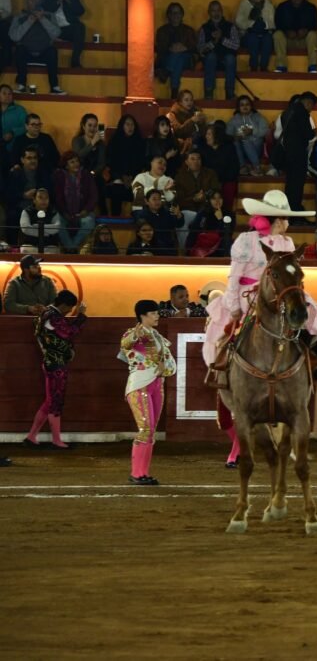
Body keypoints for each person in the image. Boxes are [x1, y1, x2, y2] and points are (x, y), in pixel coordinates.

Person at [202, 189, 317, 383]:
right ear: (277, 220)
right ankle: (223, 368)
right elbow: (235, 276)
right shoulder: (246, 241)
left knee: (313, 312)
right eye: (285, 218)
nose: (287, 223)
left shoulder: (286, 242)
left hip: (282, 292)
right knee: (225, 331)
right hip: (247, 294)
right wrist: (233, 305)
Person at [119, 299, 177, 486]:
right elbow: (127, 344)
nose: (157, 315)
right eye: (153, 313)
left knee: (150, 431)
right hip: (140, 385)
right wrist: (136, 335)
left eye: (156, 312)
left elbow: (167, 361)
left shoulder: (157, 335)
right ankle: (137, 473)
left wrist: (165, 368)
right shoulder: (134, 333)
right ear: (142, 316)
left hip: (156, 385)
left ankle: (143, 473)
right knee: (145, 430)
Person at [23, 290, 86, 450]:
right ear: (63, 305)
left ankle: (31, 436)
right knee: (56, 401)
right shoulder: (53, 316)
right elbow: (69, 332)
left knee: (50, 401)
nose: (69, 311)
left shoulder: (45, 315)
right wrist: (81, 316)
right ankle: (56, 440)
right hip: (56, 363)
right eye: (69, 308)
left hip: (51, 361)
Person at [10, 0, 66, 95]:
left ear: (40, 1)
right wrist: (29, 21)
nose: (34, 2)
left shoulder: (49, 16)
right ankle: (21, 85)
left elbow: (56, 33)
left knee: (52, 50)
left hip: (44, 51)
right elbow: (14, 37)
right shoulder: (19, 17)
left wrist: (42, 19)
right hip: (26, 52)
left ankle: (54, 86)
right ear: (26, 2)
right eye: (31, 0)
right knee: (19, 49)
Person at [5, 146, 54, 246]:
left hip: (40, 207)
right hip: (20, 206)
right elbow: (9, 195)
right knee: (12, 216)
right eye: (29, 158)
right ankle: (14, 247)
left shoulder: (43, 173)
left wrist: (39, 196)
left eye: (35, 158)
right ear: (22, 160)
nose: (33, 161)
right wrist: (24, 195)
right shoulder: (16, 174)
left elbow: (50, 191)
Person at [281, 91, 317, 213]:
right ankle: (295, 208)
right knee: (297, 184)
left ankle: (288, 208)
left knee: (290, 182)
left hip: (287, 153)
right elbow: (307, 134)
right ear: (308, 102)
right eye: (312, 106)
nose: (311, 109)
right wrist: (314, 132)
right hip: (298, 154)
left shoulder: (287, 112)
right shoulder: (302, 113)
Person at [54, 151, 97, 252]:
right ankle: (71, 247)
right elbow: (58, 197)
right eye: (72, 162)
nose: (76, 164)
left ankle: (72, 247)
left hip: (83, 211)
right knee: (57, 223)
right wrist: (65, 213)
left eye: (77, 161)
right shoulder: (59, 176)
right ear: (66, 165)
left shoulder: (86, 175)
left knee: (89, 222)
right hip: (64, 212)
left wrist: (85, 211)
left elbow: (93, 196)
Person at [105, 115, 148, 217]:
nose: (130, 127)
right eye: (127, 124)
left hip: (135, 177)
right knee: (117, 188)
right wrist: (121, 177)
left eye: (132, 124)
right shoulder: (114, 141)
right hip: (118, 176)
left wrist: (132, 177)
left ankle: (138, 219)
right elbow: (111, 162)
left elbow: (141, 162)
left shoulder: (139, 142)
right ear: (122, 126)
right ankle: (115, 219)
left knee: (140, 190)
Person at [273, 0, 317, 73]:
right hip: (287, 41)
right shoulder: (282, 7)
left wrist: (306, 30)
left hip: (305, 42)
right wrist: (287, 31)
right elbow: (277, 23)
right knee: (277, 35)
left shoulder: (311, 8)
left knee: (313, 35)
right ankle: (281, 66)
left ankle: (312, 66)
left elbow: (316, 24)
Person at [198, 0, 240, 101]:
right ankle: (208, 92)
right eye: (213, 11)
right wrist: (213, 42)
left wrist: (222, 39)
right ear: (209, 12)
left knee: (230, 58)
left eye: (218, 10)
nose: (216, 13)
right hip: (210, 61)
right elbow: (200, 49)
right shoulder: (204, 28)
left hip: (226, 60)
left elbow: (236, 45)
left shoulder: (230, 26)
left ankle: (229, 93)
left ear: (222, 11)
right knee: (211, 57)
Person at [154, 2, 197, 99]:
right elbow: (160, 48)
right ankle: (174, 89)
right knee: (178, 60)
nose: (175, 15)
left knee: (181, 57)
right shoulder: (162, 30)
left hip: (187, 58)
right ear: (168, 15)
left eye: (178, 13)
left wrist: (184, 48)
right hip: (168, 57)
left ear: (182, 15)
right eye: (173, 13)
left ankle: (166, 71)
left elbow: (195, 47)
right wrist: (171, 48)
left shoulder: (188, 30)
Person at [40, 0, 84, 68]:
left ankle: (75, 61)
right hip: (52, 29)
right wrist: (58, 1)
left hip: (67, 28)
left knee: (80, 27)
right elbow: (45, 11)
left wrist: (68, 0)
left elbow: (80, 11)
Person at [235, 0, 274, 72]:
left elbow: (272, 22)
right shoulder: (244, 4)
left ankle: (264, 67)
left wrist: (265, 25)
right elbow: (238, 21)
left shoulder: (268, 5)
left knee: (268, 40)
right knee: (253, 39)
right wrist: (251, 24)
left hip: (264, 33)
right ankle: (253, 66)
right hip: (248, 34)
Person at [226, 95, 269, 176]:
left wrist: (252, 132)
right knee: (236, 142)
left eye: (247, 104)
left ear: (251, 106)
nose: (245, 107)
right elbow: (228, 135)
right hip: (241, 149)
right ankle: (243, 167)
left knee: (246, 140)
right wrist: (236, 137)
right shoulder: (234, 120)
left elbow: (265, 131)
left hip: (256, 147)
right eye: (242, 105)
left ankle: (257, 167)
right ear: (238, 108)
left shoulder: (258, 117)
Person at [185, 189, 233, 257]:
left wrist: (220, 219)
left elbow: (227, 234)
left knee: (227, 242)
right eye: (214, 198)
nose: (217, 201)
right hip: (204, 246)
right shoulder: (203, 213)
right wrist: (188, 250)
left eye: (219, 198)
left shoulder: (229, 214)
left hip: (219, 247)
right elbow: (194, 231)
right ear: (209, 200)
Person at [135, 188, 182, 256]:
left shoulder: (167, 212)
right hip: (150, 247)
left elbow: (179, 225)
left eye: (159, 199)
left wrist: (179, 215)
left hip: (167, 247)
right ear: (146, 201)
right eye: (154, 199)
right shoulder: (142, 215)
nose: (157, 202)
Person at [20, 188, 62, 253]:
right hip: (30, 245)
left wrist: (37, 226)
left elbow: (56, 228)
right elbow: (26, 229)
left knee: (53, 251)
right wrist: (46, 233)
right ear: (34, 200)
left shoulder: (54, 212)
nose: (44, 200)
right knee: (26, 250)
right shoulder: (26, 212)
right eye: (40, 197)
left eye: (46, 198)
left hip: (49, 246)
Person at [167, 89, 208, 157]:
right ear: (180, 102)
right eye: (186, 100)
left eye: (191, 100)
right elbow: (178, 132)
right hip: (182, 143)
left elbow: (204, 133)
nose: (189, 102)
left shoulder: (196, 112)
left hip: (198, 142)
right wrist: (191, 121)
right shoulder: (173, 114)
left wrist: (202, 122)